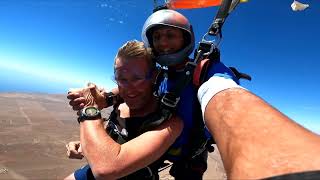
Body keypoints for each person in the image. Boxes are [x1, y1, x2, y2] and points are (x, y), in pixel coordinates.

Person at [65, 40, 183, 179]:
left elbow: (106, 168)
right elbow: (110, 137)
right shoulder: (120, 102)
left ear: (154, 76)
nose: (128, 88)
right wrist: (88, 145)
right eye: (121, 79)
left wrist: (89, 109)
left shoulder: (169, 123)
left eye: (137, 78)